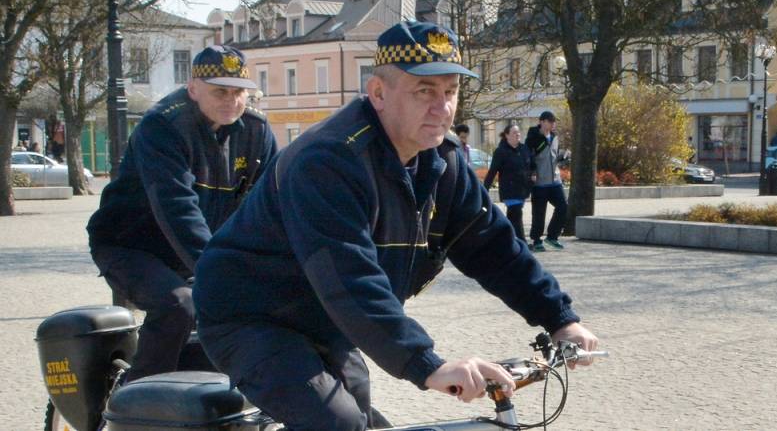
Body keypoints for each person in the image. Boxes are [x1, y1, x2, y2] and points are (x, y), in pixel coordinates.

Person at [193, 21, 598, 431]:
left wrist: (559, 318)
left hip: (326, 319)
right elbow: (348, 278)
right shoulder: (329, 161)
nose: (442, 107)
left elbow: (494, 248)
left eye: (450, 91)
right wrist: (428, 365)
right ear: (378, 93)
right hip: (251, 318)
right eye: (424, 91)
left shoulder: (443, 163)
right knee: (337, 423)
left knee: (367, 422)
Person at [86, 45, 277, 382]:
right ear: (193, 88)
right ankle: (138, 398)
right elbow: (177, 207)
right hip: (131, 246)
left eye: (238, 92)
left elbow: (275, 205)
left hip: (194, 253)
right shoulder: (164, 126)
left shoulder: (256, 131)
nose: (231, 101)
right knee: (179, 305)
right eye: (220, 91)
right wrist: (219, 274)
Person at [525, 111, 568, 252]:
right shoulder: (532, 138)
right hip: (539, 182)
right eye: (550, 121)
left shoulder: (554, 137)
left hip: (555, 180)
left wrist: (563, 157)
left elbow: (554, 156)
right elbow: (528, 158)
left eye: (554, 121)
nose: (553, 124)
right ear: (542, 122)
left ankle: (552, 237)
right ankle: (537, 240)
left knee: (563, 207)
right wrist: (532, 172)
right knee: (539, 213)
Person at [483, 124, 531, 241]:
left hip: (522, 190)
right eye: (514, 132)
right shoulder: (501, 151)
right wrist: (484, 189)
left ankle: (505, 240)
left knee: (512, 217)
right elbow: (492, 171)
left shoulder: (524, 149)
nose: (517, 134)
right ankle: (522, 243)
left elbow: (531, 164)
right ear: (507, 135)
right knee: (516, 214)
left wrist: (532, 176)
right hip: (509, 190)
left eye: (518, 132)